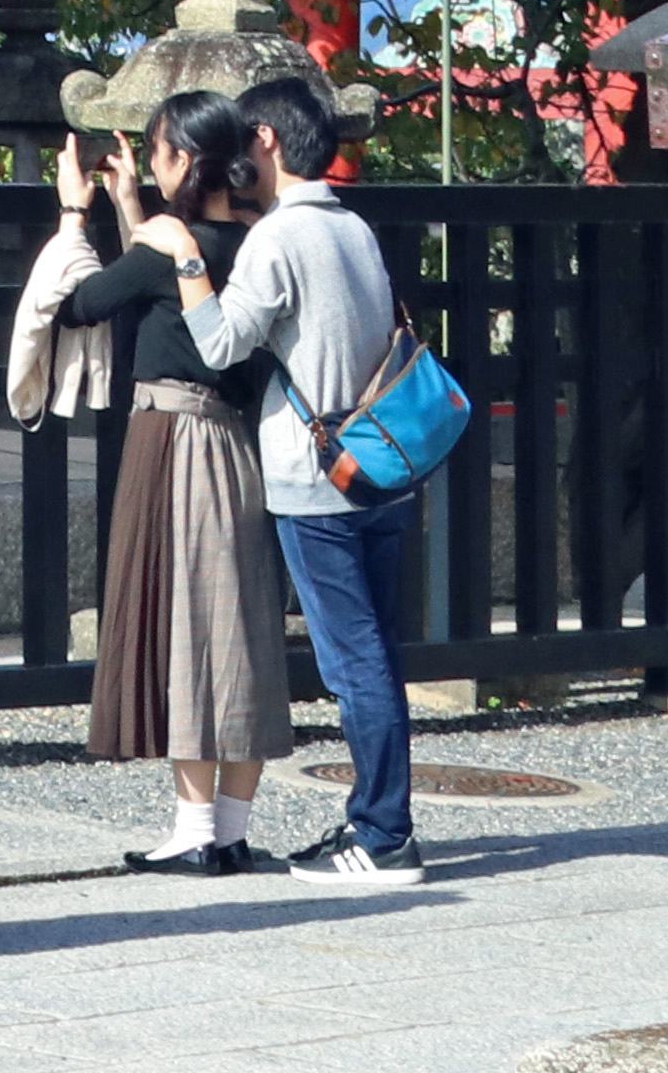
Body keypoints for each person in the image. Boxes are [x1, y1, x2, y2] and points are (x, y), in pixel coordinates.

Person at [176, 73, 427, 885]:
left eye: (245, 141)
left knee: (354, 665)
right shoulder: (350, 228)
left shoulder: (279, 240)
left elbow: (219, 344)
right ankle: (373, 818)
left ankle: (385, 834)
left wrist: (185, 256)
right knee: (377, 655)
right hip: (381, 468)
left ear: (269, 144)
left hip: (317, 484)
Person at [60, 93, 293, 870]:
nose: (154, 166)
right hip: (239, 443)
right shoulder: (257, 239)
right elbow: (168, 301)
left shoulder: (173, 247)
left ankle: (193, 833)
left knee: (190, 623)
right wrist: (134, 206)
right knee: (244, 628)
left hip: (177, 439)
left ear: (183, 160)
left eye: (159, 152)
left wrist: (78, 212)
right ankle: (229, 831)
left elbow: (89, 302)